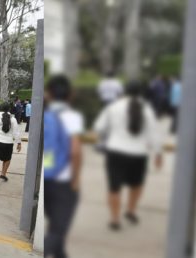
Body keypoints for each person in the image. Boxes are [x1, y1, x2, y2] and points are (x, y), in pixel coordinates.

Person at [93, 81, 162, 231]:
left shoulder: (114, 107)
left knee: (114, 187)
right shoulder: (147, 108)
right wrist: (158, 153)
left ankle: (115, 219)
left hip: (116, 152)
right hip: (138, 153)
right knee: (136, 185)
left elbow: (99, 127)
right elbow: (153, 132)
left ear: (124, 92)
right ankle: (130, 211)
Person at [44, 75, 84, 258]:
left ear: (48, 94)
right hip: (63, 181)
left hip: (46, 177)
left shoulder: (45, 115)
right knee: (58, 229)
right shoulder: (72, 116)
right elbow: (75, 151)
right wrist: (75, 179)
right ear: (71, 95)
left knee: (54, 223)